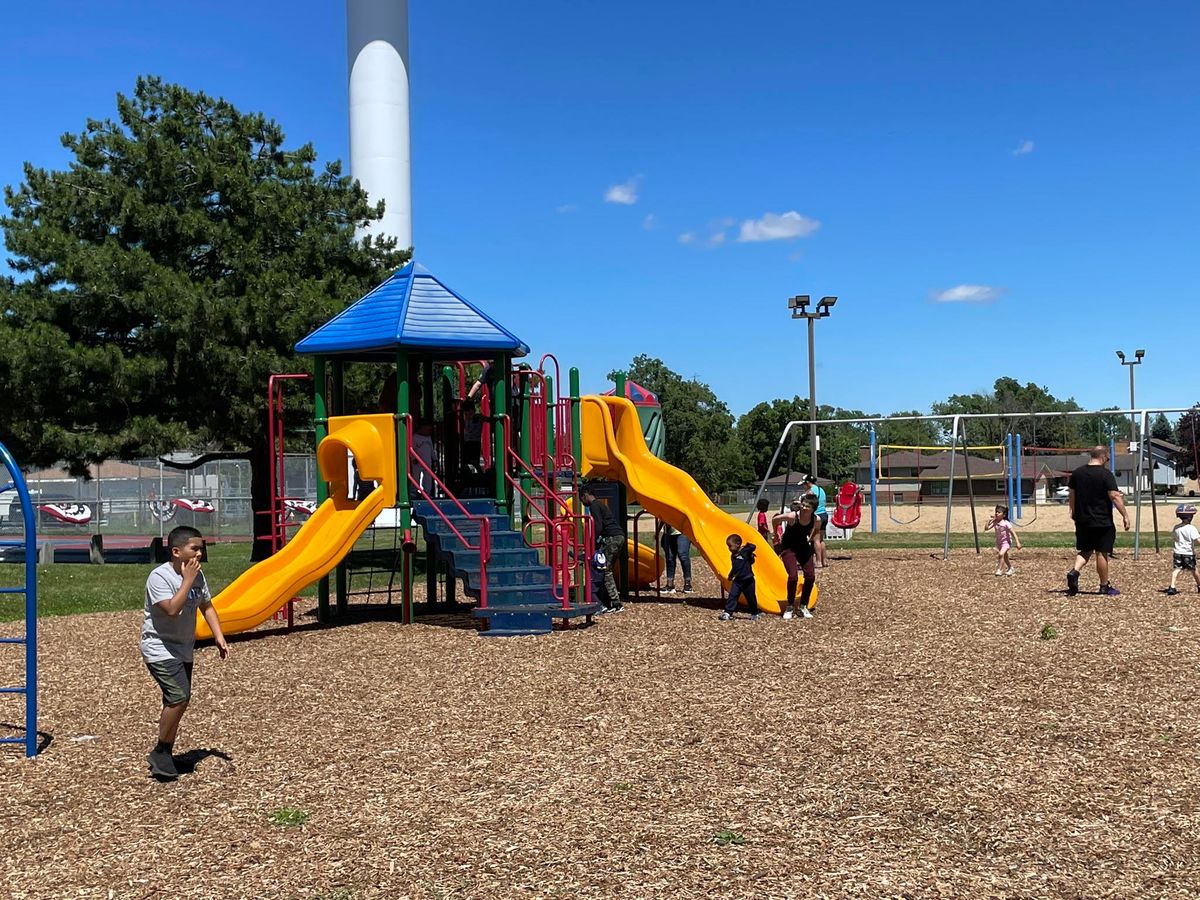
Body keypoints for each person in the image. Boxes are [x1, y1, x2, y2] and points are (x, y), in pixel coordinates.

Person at [140, 525, 229, 781]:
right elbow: (171, 609)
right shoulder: (160, 577)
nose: (200, 553)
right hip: (159, 647)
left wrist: (218, 636)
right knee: (179, 696)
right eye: (195, 548)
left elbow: (207, 606)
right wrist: (187, 580)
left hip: (183, 647)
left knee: (179, 700)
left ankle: (164, 751)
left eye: (201, 548)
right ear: (177, 551)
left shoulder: (198, 577)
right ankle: (161, 751)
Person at [1066, 445, 1130, 596]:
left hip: (1082, 520)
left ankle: (1074, 572)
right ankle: (1104, 586)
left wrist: (1073, 511)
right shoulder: (1105, 474)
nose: (1107, 461)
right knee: (1101, 552)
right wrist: (1125, 515)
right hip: (1102, 520)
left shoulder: (1077, 473)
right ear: (1103, 457)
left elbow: (1072, 495)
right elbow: (1114, 496)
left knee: (1085, 550)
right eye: (1107, 458)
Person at [772, 495, 819, 619]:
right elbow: (775, 519)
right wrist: (775, 535)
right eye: (803, 505)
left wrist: (811, 536)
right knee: (793, 577)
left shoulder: (816, 519)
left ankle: (803, 606)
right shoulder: (793, 516)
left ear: (813, 509)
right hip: (788, 547)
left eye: (807, 506)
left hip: (803, 546)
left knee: (810, 576)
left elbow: (817, 529)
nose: (803, 508)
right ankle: (790, 606)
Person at [580, 485, 625, 611]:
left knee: (605, 570)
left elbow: (598, 525)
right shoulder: (601, 504)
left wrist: (592, 542)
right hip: (618, 536)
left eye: (581, 499)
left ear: (585, 495)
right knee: (607, 568)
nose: (583, 503)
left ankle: (615, 602)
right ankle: (609, 600)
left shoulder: (594, 505)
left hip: (611, 538)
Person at [720, 534, 760, 622]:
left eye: (730, 546)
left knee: (751, 598)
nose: (729, 548)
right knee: (733, 595)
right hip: (738, 581)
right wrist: (731, 575)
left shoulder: (744, 552)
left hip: (748, 580)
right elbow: (735, 568)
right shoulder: (733, 556)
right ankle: (728, 612)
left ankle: (754, 613)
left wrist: (746, 547)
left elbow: (753, 546)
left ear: (737, 544)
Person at [1167, 504, 1200, 595]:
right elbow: (1197, 540)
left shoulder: (1176, 527)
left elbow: (1174, 537)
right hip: (1188, 553)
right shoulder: (1191, 528)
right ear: (1190, 517)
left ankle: (1172, 586)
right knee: (1194, 570)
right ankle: (1199, 585)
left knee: (1176, 569)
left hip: (1177, 552)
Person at [985, 504, 1022, 576]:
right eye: (996, 512)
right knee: (1004, 556)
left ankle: (1000, 569)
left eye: (999, 512)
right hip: (999, 542)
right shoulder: (995, 522)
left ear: (1004, 515)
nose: (996, 513)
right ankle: (1010, 568)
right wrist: (988, 521)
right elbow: (986, 528)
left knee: (1001, 554)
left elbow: (1013, 533)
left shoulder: (1006, 523)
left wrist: (1017, 542)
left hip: (1006, 542)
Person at [801, 474, 829, 568]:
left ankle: (818, 561)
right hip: (824, 514)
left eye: (804, 484)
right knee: (821, 540)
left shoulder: (810, 492)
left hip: (816, 516)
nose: (803, 486)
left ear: (808, 483)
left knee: (815, 540)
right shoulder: (821, 489)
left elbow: (807, 502)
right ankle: (824, 560)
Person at [660, 522, 693, 594]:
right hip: (668, 532)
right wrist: (658, 531)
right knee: (669, 558)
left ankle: (687, 583)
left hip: (683, 531)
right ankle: (670, 584)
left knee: (683, 555)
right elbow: (662, 517)